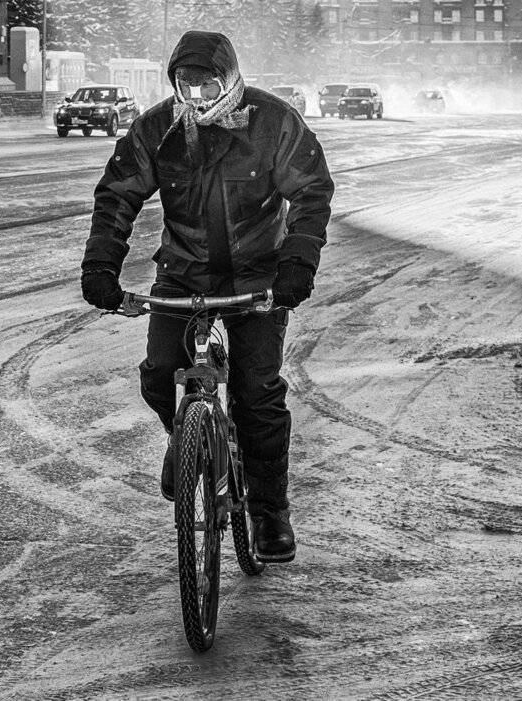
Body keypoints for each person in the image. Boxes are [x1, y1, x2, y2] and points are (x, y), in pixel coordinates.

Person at [79, 30, 334, 563]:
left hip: (258, 279)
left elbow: (310, 192)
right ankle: (184, 436)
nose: (196, 98)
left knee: (257, 393)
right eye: (184, 86)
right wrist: (101, 265)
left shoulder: (273, 122)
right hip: (184, 274)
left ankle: (269, 512)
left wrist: (296, 264)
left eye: (207, 84)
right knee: (158, 372)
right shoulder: (157, 129)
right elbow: (117, 196)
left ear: (231, 79)